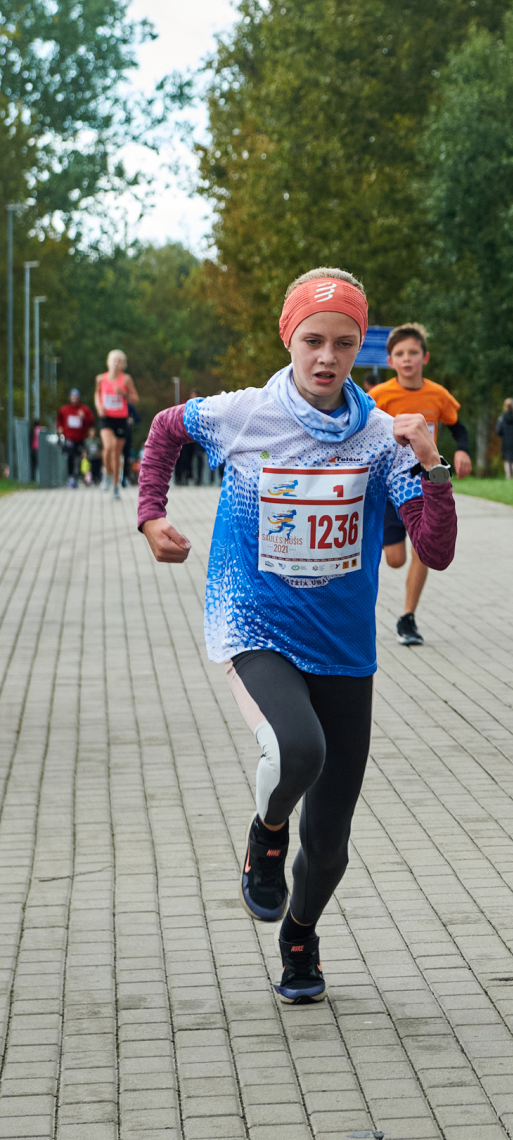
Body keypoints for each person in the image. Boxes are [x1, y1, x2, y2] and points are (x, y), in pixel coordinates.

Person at [134, 266, 458, 1005]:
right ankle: (267, 828)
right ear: (289, 338)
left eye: (343, 343)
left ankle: (301, 935)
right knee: (297, 750)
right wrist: (151, 515)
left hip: (344, 647)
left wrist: (431, 463)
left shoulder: (382, 437)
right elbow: (163, 430)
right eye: (313, 340)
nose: (327, 357)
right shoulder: (245, 414)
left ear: (360, 349)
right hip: (254, 622)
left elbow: (434, 550)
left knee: (333, 838)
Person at [370, 323, 474, 646]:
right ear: (391, 362)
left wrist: (462, 450)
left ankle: (408, 616)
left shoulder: (438, 394)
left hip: (424, 480)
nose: (407, 359)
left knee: (424, 548)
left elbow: (459, 428)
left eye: (413, 352)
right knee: (395, 559)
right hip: (391, 485)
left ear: (424, 358)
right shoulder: (379, 396)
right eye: (400, 354)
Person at [95, 349, 139, 500]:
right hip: (106, 418)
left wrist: (124, 394)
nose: (116, 363)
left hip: (120, 418)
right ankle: (107, 474)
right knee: (108, 446)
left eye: (119, 361)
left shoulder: (126, 379)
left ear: (123, 365)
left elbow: (135, 398)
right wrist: (99, 407)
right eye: (114, 360)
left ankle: (115, 485)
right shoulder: (101, 379)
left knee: (116, 452)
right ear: (108, 362)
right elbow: (97, 394)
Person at [56, 388, 96, 488]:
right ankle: (71, 477)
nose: (74, 399)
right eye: (73, 396)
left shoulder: (84, 409)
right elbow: (59, 421)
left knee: (79, 458)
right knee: (70, 456)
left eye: (76, 397)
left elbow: (92, 421)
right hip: (69, 438)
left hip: (81, 438)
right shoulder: (64, 409)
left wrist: (84, 417)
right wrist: (60, 428)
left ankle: (78, 476)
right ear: (70, 398)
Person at [497, 397, 513, 480]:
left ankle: (508, 477)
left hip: (506, 441)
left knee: (507, 460)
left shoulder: (502, 418)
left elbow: (499, 431)